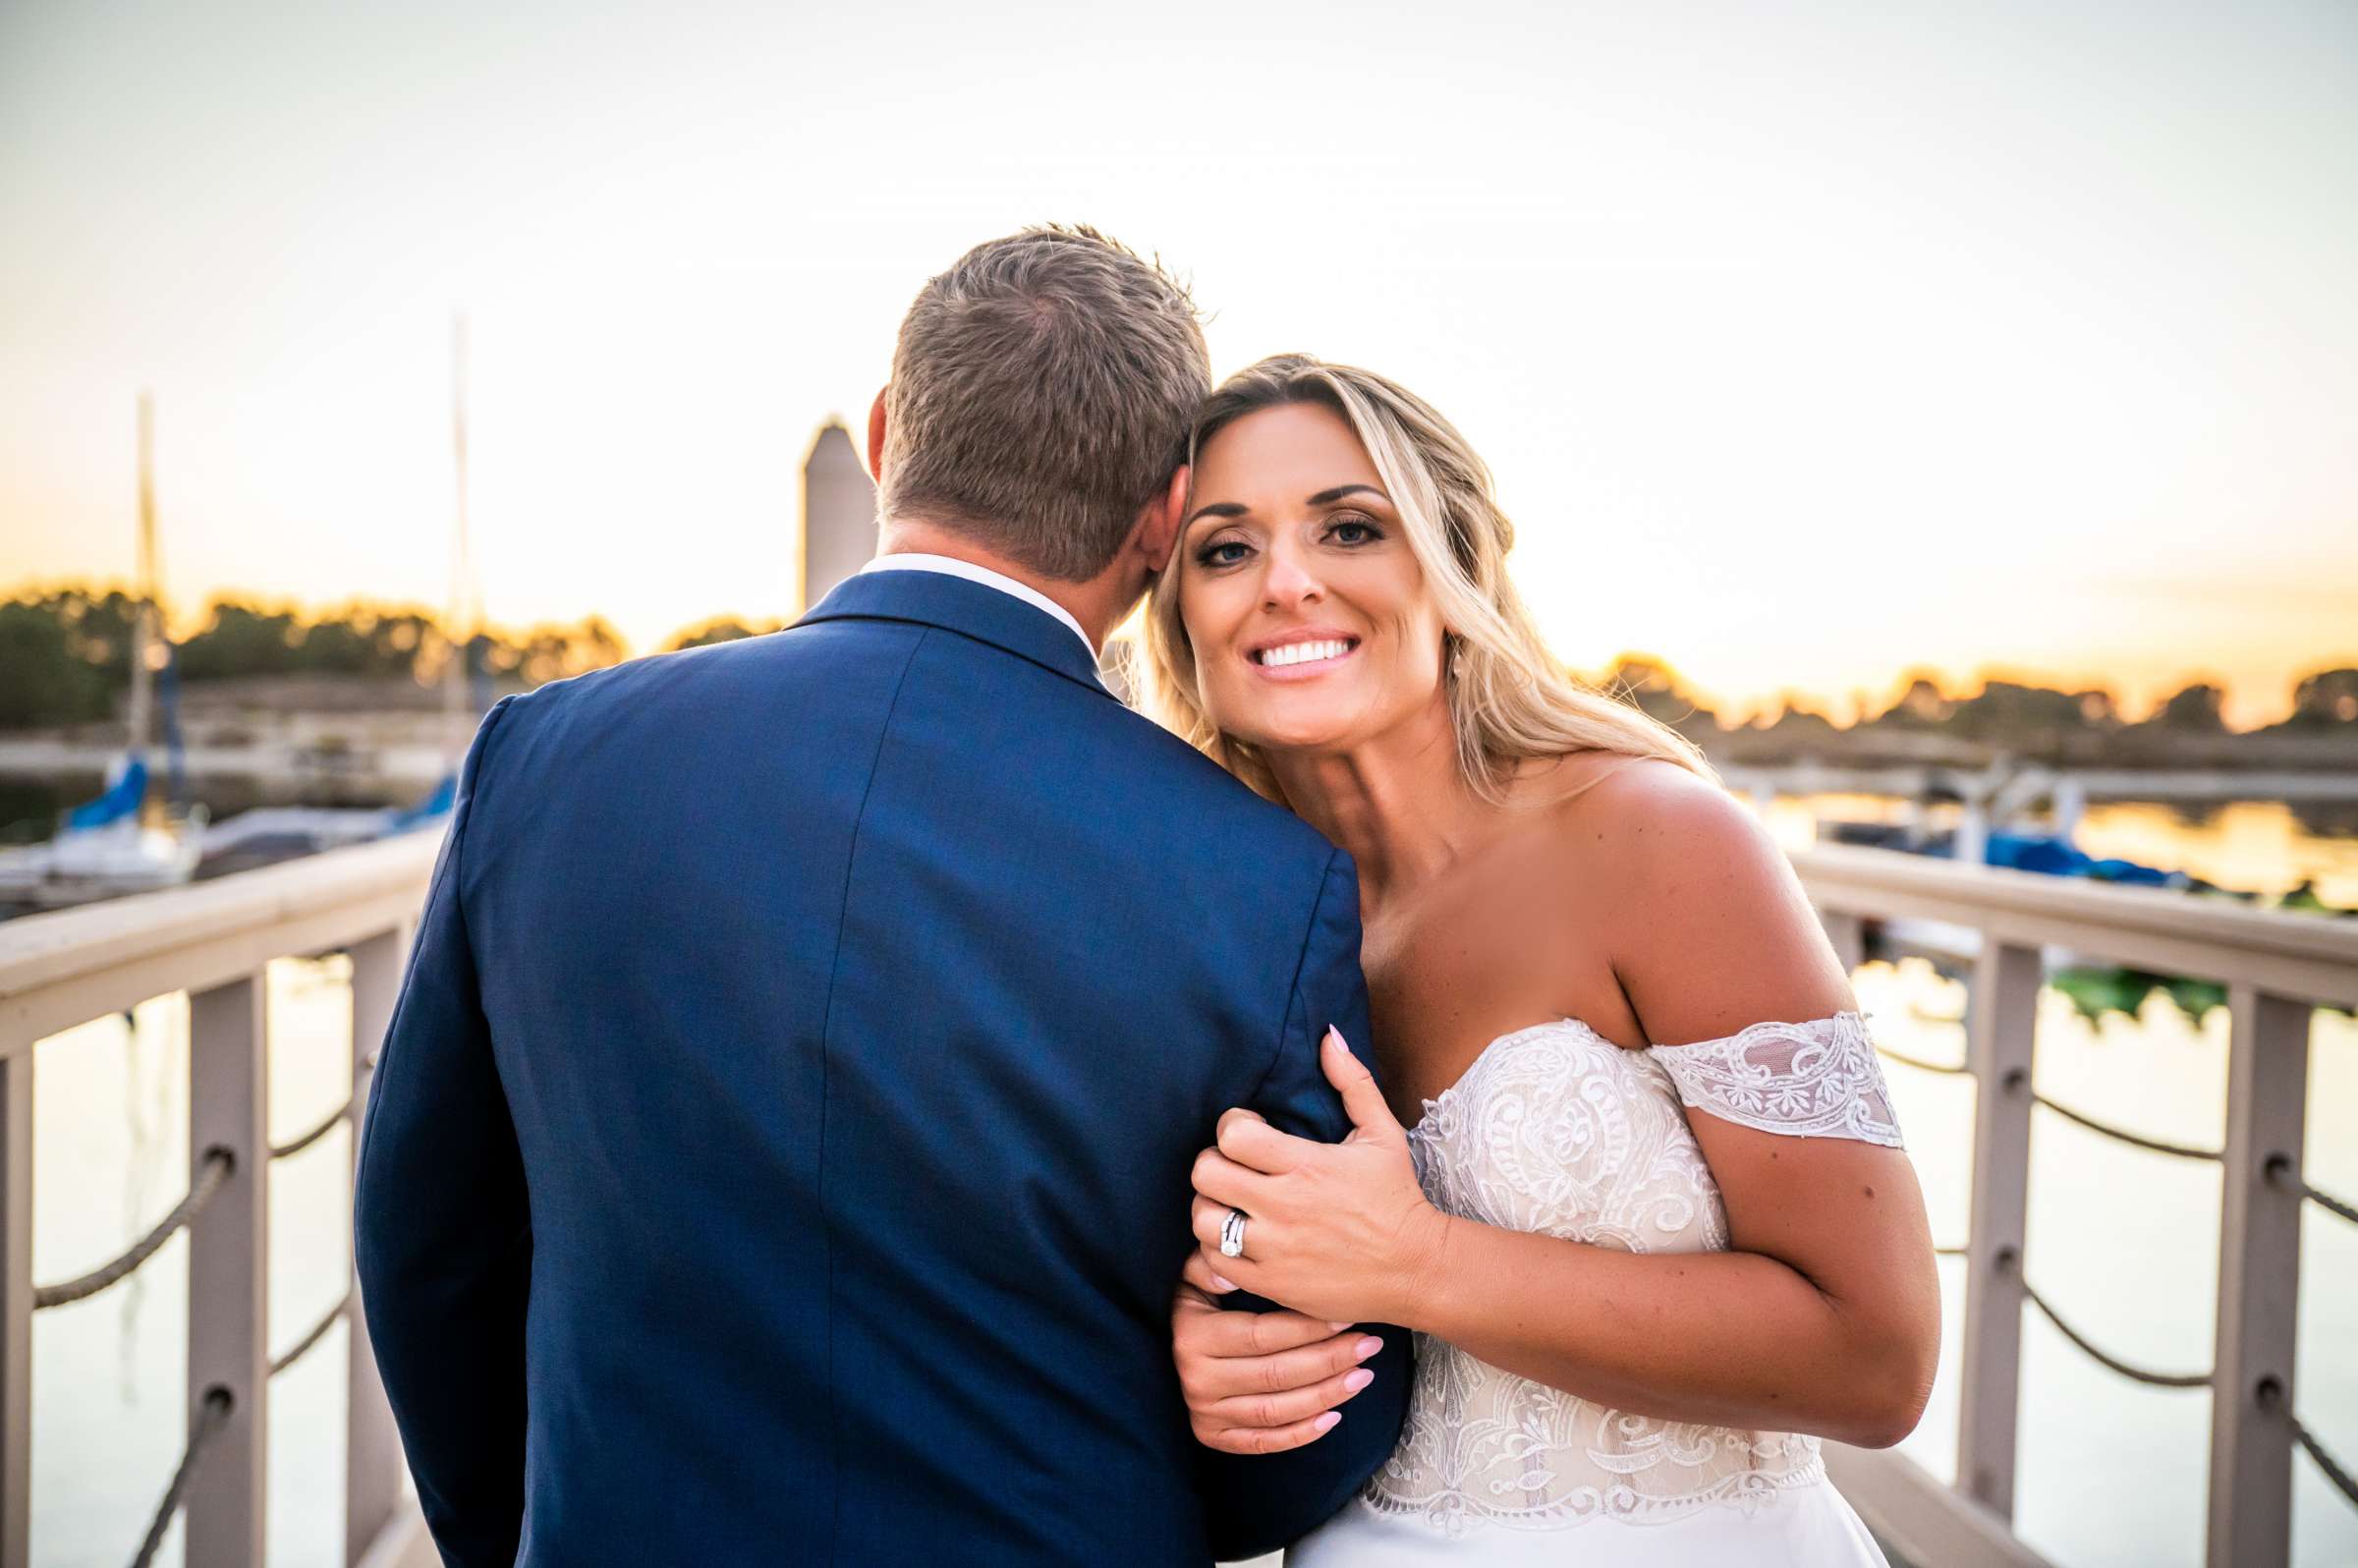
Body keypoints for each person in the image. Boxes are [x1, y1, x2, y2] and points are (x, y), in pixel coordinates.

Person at [353, 231, 1409, 1567]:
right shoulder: (1268, 881)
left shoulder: (547, 758)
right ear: (1166, 510)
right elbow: (1309, 1417)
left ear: (887, 432)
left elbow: (427, 1247)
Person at [1150, 356, 1940, 1566]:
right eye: (1225, 549)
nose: (1288, 585)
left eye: (1350, 529)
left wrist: (1424, 1265)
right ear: (1178, 609)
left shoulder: (1659, 843)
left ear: (1454, 558)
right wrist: (1218, 1354)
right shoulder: (1210, 916)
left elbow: (1876, 1361)